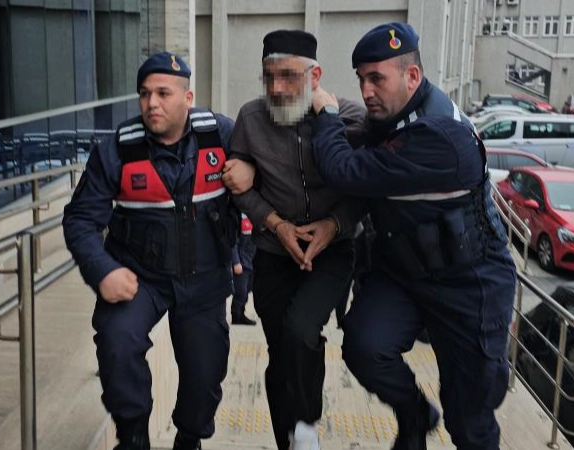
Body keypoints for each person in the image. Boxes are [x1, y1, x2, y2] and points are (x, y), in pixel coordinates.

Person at [309, 23, 517, 450]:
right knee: (366, 346)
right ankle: (415, 415)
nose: (366, 91)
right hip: (404, 273)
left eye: (376, 79)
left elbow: (344, 171)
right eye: (361, 79)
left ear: (412, 76)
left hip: (468, 283)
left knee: (470, 421)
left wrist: (327, 115)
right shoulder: (398, 115)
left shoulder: (438, 135)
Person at [63, 51, 236, 450]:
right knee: (117, 341)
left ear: (187, 98)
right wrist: (102, 270)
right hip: (139, 277)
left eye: (163, 93)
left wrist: (247, 168)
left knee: (205, 372)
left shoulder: (220, 135)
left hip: (205, 278)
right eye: (144, 94)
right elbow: (80, 219)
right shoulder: (116, 149)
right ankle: (133, 436)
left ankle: (189, 439)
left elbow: (263, 167)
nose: (151, 103)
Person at [222, 30, 366, 450]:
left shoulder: (351, 119)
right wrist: (275, 224)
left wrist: (333, 225)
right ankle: (290, 441)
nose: (277, 88)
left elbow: (367, 187)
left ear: (315, 76)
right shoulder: (251, 118)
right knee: (280, 350)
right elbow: (239, 187)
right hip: (273, 252)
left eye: (288, 76)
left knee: (302, 331)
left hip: (332, 252)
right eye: (269, 77)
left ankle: (305, 423)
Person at [230, 213, 257, 325]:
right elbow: (233, 242)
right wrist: (236, 261)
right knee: (241, 291)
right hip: (242, 262)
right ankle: (236, 315)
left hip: (252, 261)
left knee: (248, 290)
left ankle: (241, 313)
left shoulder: (256, 216)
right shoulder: (237, 216)